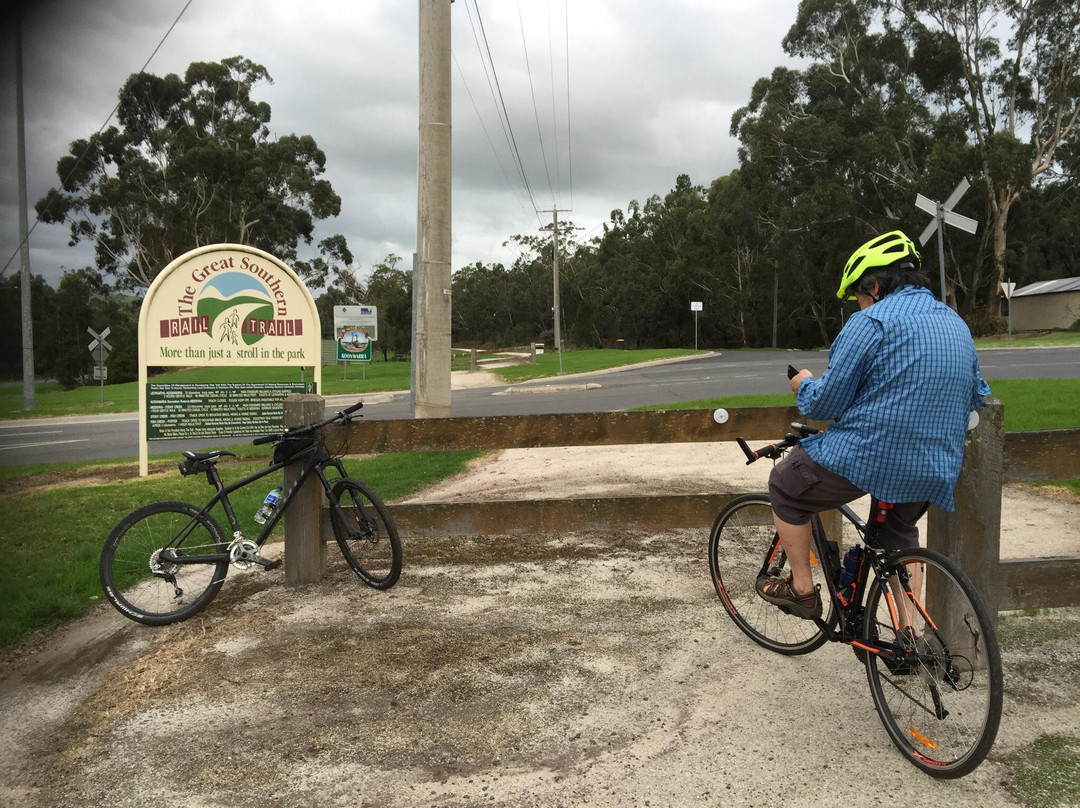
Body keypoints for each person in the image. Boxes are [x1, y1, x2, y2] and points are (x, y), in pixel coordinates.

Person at [756, 230, 991, 619]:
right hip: (936, 464)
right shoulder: (955, 323)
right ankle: (911, 636)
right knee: (897, 536)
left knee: (785, 486)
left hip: (874, 457)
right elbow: (975, 392)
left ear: (876, 287)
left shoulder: (872, 322)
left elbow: (825, 402)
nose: (859, 305)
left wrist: (804, 384)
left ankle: (800, 590)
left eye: (859, 297)